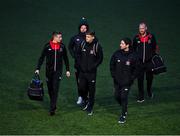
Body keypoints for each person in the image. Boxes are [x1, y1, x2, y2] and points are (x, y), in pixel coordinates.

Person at [35, 31, 70, 116]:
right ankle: (53, 104)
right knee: (50, 89)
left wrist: (67, 70)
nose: (61, 39)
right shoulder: (47, 46)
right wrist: (37, 68)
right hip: (48, 72)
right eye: (60, 37)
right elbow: (41, 58)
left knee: (55, 89)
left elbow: (66, 59)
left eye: (61, 37)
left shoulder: (62, 47)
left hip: (58, 72)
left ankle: (52, 109)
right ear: (54, 37)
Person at [110, 38, 140, 124]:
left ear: (127, 45)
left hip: (127, 81)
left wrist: (132, 78)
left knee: (123, 97)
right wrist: (113, 75)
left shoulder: (133, 55)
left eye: (122, 44)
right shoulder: (117, 54)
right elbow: (112, 64)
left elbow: (137, 68)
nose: (120, 45)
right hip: (117, 80)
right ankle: (124, 107)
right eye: (120, 43)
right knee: (116, 96)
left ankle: (123, 115)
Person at [76, 31, 103, 115]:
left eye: (88, 37)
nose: (86, 38)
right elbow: (78, 54)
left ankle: (90, 107)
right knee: (81, 88)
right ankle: (86, 101)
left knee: (91, 91)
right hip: (82, 72)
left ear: (92, 37)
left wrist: (93, 66)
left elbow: (100, 58)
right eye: (86, 37)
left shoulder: (97, 46)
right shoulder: (82, 44)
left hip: (91, 73)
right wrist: (80, 65)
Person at [133, 22, 158, 103]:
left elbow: (155, 47)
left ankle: (149, 90)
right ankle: (141, 96)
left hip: (149, 62)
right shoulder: (136, 38)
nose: (141, 30)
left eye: (143, 28)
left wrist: (153, 57)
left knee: (149, 78)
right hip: (139, 63)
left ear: (146, 28)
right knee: (140, 79)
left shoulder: (151, 37)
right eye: (140, 28)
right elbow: (133, 49)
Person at [68, 17, 89, 105]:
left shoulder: (89, 38)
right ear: (79, 28)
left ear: (87, 28)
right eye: (82, 28)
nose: (83, 29)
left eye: (85, 28)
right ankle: (80, 96)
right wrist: (74, 55)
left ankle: (86, 97)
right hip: (78, 64)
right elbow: (70, 47)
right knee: (79, 82)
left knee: (87, 82)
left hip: (87, 65)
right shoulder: (75, 38)